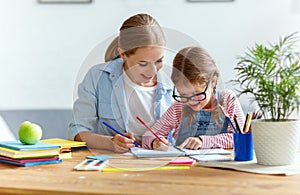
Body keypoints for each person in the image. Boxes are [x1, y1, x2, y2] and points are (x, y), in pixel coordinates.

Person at [68, 13, 173, 153]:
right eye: (143, 64)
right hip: (112, 162)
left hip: (161, 162)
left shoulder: (173, 82)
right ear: (123, 54)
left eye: (159, 61)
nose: (152, 71)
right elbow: (77, 130)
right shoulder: (98, 77)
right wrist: (109, 142)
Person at [142, 46, 245, 150]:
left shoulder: (227, 100)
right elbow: (148, 136)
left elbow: (241, 137)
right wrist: (155, 142)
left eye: (197, 94)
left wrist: (202, 141)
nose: (190, 101)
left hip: (222, 165)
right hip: (185, 165)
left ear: (213, 82)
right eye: (183, 95)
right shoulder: (178, 108)